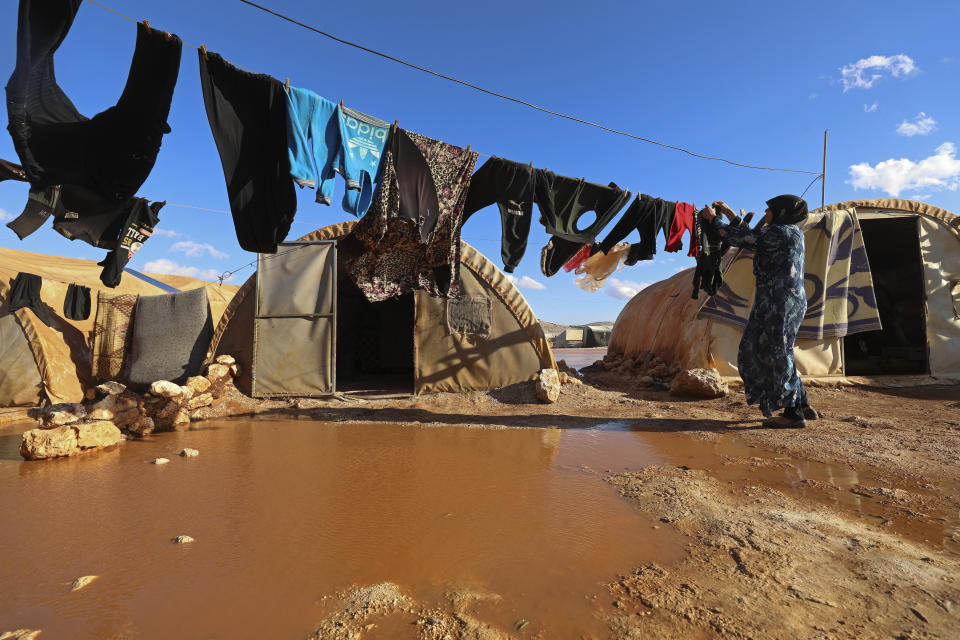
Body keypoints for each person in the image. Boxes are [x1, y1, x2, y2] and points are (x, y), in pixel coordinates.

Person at [702, 195, 818, 428]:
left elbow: (739, 237)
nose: (765, 214)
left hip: (779, 302)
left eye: (769, 211)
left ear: (782, 213)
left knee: (773, 351)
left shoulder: (780, 232)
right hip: (782, 301)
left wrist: (714, 220)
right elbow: (752, 236)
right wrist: (730, 211)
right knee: (780, 350)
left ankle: (794, 413)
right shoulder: (788, 232)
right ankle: (802, 403)